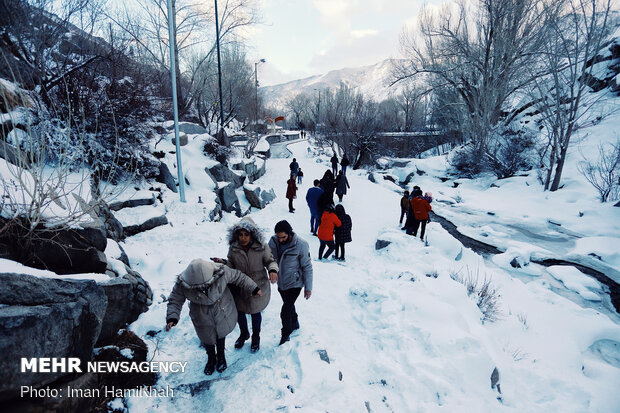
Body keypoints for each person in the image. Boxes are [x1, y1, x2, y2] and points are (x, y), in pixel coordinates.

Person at [166, 259, 262, 375]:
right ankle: (211, 358)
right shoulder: (183, 283)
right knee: (207, 338)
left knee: (221, 334)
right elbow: (175, 299)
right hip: (201, 315)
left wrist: (254, 287)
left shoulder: (221, 272)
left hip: (222, 310)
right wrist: (172, 317)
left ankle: (221, 356)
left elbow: (239, 277)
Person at [211, 217, 278, 353]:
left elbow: (270, 261)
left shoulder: (262, 247)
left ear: (252, 234)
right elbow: (231, 265)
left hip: (258, 285)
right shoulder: (234, 248)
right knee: (240, 312)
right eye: (240, 235)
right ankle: (244, 333)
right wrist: (223, 262)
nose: (243, 238)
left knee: (255, 312)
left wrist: (272, 270)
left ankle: (256, 337)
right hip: (240, 286)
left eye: (246, 234)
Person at [268, 220, 313, 345]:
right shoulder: (273, 241)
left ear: (289, 233)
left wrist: (308, 288)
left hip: (295, 283)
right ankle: (295, 322)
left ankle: (285, 334)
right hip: (281, 282)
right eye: (278, 237)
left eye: (283, 237)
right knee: (288, 304)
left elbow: (307, 267)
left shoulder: (301, 244)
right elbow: (269, 259)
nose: (281, 240)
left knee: (285, 310)